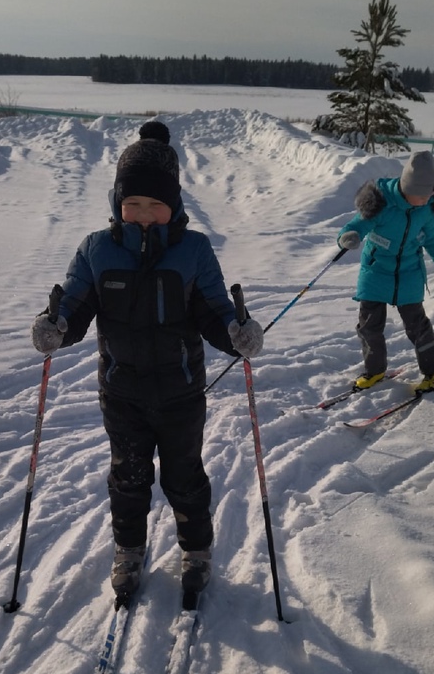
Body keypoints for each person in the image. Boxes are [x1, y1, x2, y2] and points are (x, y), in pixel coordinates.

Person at [31, 120, 263, 600]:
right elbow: (74, 307)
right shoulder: (97, 250)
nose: (142, 214)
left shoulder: (193, 250)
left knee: (184, 476)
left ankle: (196, 550)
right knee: (128, 477)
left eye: (154, 205)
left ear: (173, 206)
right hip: (122, 392)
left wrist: (237, 334)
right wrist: (55, 328)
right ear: (117, 202)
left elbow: (214, 310)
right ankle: (129, 551)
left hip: (180, 392)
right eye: (132, 203)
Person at [336, 151, 434, 393]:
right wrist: (348, 236)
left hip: (409, 274)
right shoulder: (381, 202)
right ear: (407, 187)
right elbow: (357, 224)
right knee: (369, 327)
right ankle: (374, 371)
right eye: (420, 195)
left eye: (429, 194)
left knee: (418, 327)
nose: (425, 199)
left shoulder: (425, 209)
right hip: (375, 273)